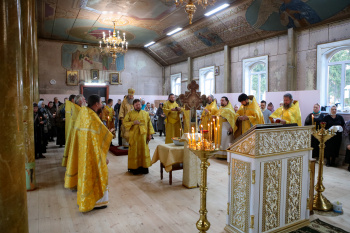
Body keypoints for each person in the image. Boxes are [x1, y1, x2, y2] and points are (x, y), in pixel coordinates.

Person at [65, 94, 114, 212]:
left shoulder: (84, 113)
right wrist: (110, 132)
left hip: (84, 151)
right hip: (93, 152)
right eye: (101, 102)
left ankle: (85, 200)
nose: (102, 103)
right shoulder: (92, 116)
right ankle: (96, 201)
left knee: (86, 174)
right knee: (98, 172)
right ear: (96, 104)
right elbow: (102, 134)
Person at [123, 99, 155, 175]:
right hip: (134, 136)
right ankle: (134, 168)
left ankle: (144, 168)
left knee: (143, 150)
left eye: (139, 104)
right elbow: (125, 123)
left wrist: (149, 134)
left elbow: (149, 124)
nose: (138, 106)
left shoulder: (145, 113)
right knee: (135, 151)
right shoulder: (130, 114)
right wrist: (133, 123)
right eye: (136, 105)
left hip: (143, 136)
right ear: (133, 105)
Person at [62, 95, 85, 167]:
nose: (85, 101)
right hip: (77, 132)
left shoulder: (77, 107)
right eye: (84, 99)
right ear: (80, 101)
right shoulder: (77, 109)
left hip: (75, 130)